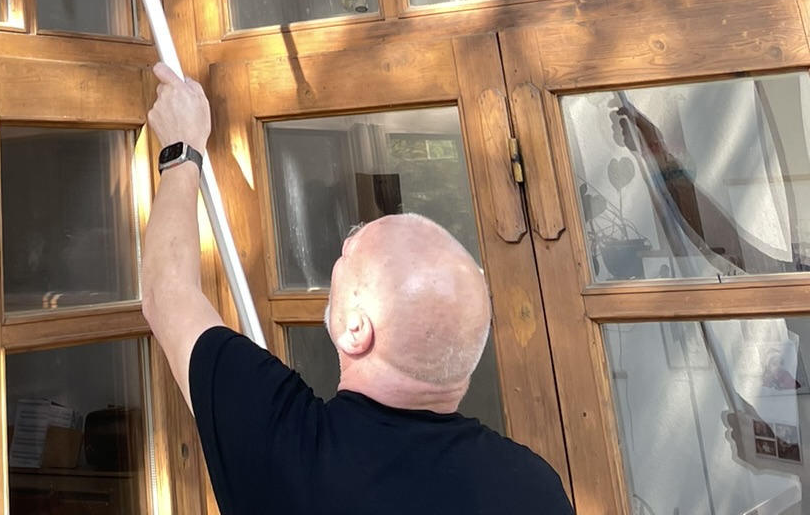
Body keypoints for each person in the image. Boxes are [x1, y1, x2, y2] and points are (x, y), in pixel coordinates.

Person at [142, 65, 575, 514]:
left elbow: (166, 293)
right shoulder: (535, 487)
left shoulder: (292, 449)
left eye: (349, 252)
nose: (341, 249)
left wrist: (182, 148)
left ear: (357, 330)